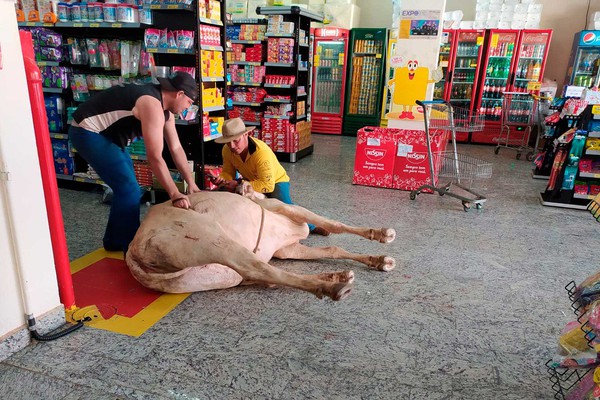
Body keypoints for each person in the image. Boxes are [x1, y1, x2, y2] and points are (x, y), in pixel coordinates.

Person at [69, 71, 201, 252]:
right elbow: (154, 157)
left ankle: (114, 241)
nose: (188, 108)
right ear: (179, 94)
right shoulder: (151, 104)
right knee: (128, 189)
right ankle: (130, 247)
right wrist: (174, 194)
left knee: (129, 188)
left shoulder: (165, 112)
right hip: (87, 132)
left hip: (109, 138)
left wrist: (191, 183)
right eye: (189, 102)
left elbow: (176, 148)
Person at [211, 118, 329, 236]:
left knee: (285, 206)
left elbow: (268, 185)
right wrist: (221, 179)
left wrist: (239, 184)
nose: (232, 146)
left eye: (236, 141)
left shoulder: (261, 152)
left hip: (276, 181)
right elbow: (228, 172)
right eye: (228, 142)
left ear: (246, 134)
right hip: (250, 181)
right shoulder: (227, 150)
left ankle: (313, 226)